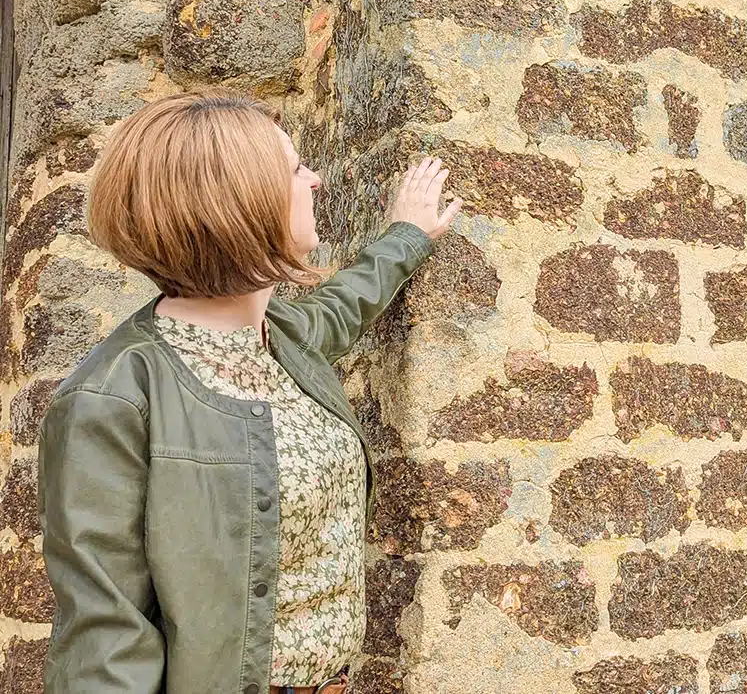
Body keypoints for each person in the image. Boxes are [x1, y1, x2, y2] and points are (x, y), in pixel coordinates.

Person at [37, 91, 462, 694]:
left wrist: (408, 237)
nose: (314, 180)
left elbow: (342, 306)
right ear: (238, 202)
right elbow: (104, 641)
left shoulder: (281, 336)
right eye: (294, 168)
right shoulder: (110, 399)